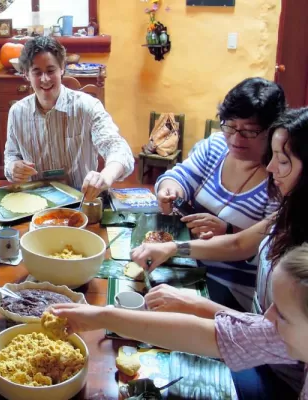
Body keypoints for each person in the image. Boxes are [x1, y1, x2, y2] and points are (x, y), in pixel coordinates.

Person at [131, 107, 308, 397]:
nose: (272, 168)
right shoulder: (289, 212)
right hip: (251, 344)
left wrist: (196, 305)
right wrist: (173, 247)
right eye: (274, 156)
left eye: (283, 161)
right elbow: (239, 244)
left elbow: (267, 334)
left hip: (280, 380)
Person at [51, 242, 308, 400]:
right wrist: (102, 316)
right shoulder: (283, 334)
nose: (267, 316)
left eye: (282, 314)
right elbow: (209, 335)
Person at [153, 77, 285, 311]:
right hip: (187, 263)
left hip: (231, 284)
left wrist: (228, 229)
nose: (235, 139)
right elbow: (180, 175)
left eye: (250, 132)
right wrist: (170, 188)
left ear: (272, 130)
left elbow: (256, 247)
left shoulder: (280, 179)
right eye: (230, 126)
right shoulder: (215, 147)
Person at [4, 36, 134, 200]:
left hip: (82, 199)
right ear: (26, 74)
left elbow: (118, 148)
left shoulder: (88, 106)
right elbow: (11, 156)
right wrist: (13, 167)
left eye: (51, 70)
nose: (45, 79)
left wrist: (105, 177)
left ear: (62, 69)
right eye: (37, 72)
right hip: (35, 202)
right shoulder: (17, 112)